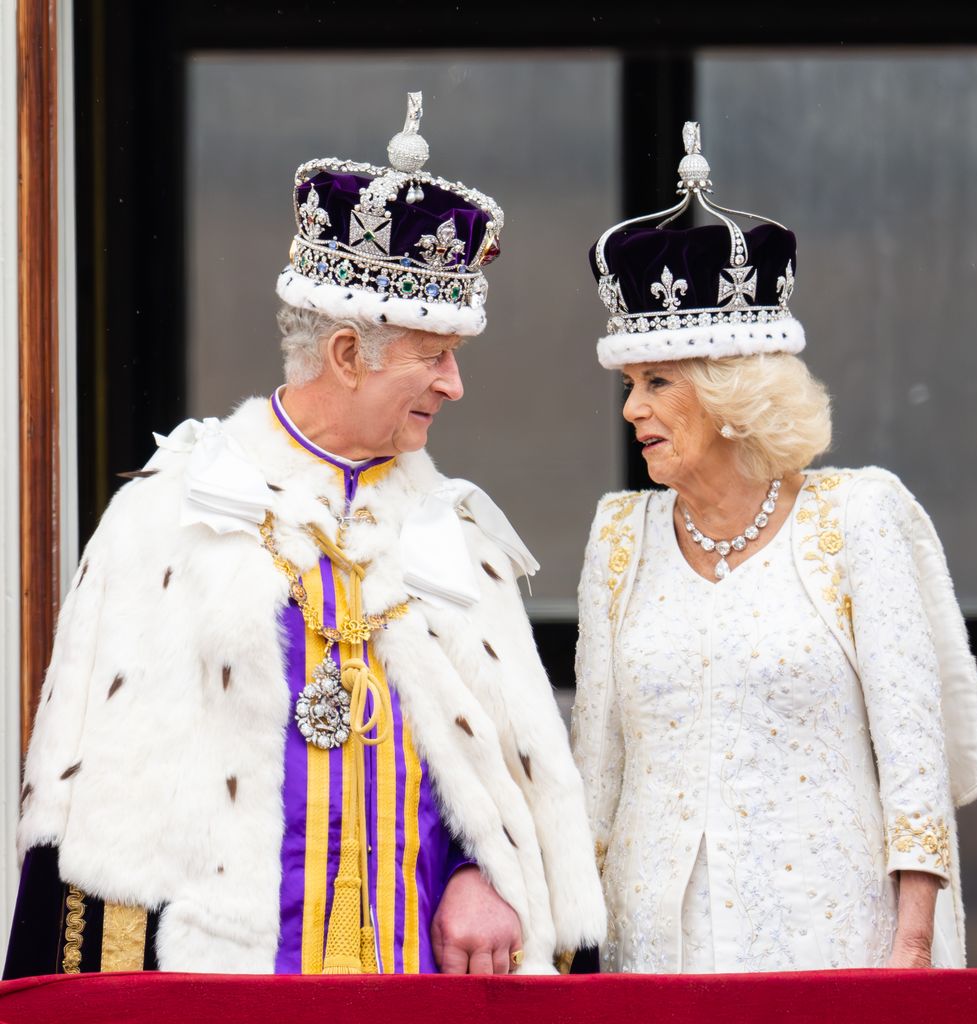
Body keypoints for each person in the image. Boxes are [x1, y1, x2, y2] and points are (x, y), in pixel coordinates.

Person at [6, 93, 605, 978]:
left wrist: (486, 872)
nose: (453, 384)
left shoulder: (456, 534)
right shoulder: (175, 506)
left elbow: (492, 769)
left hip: (416, 975)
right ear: (347, 354)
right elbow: (94, 790)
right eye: (433, 354)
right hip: (225, 975)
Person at [571, 122, 977, 974]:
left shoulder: (856, 517)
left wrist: (910, 952)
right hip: (657, 950)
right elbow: (597, 772)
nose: (633, 411)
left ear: (731, 394)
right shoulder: (619, 536)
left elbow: (917, 762)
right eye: (629, 386)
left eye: (658, 384)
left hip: (834, 938)